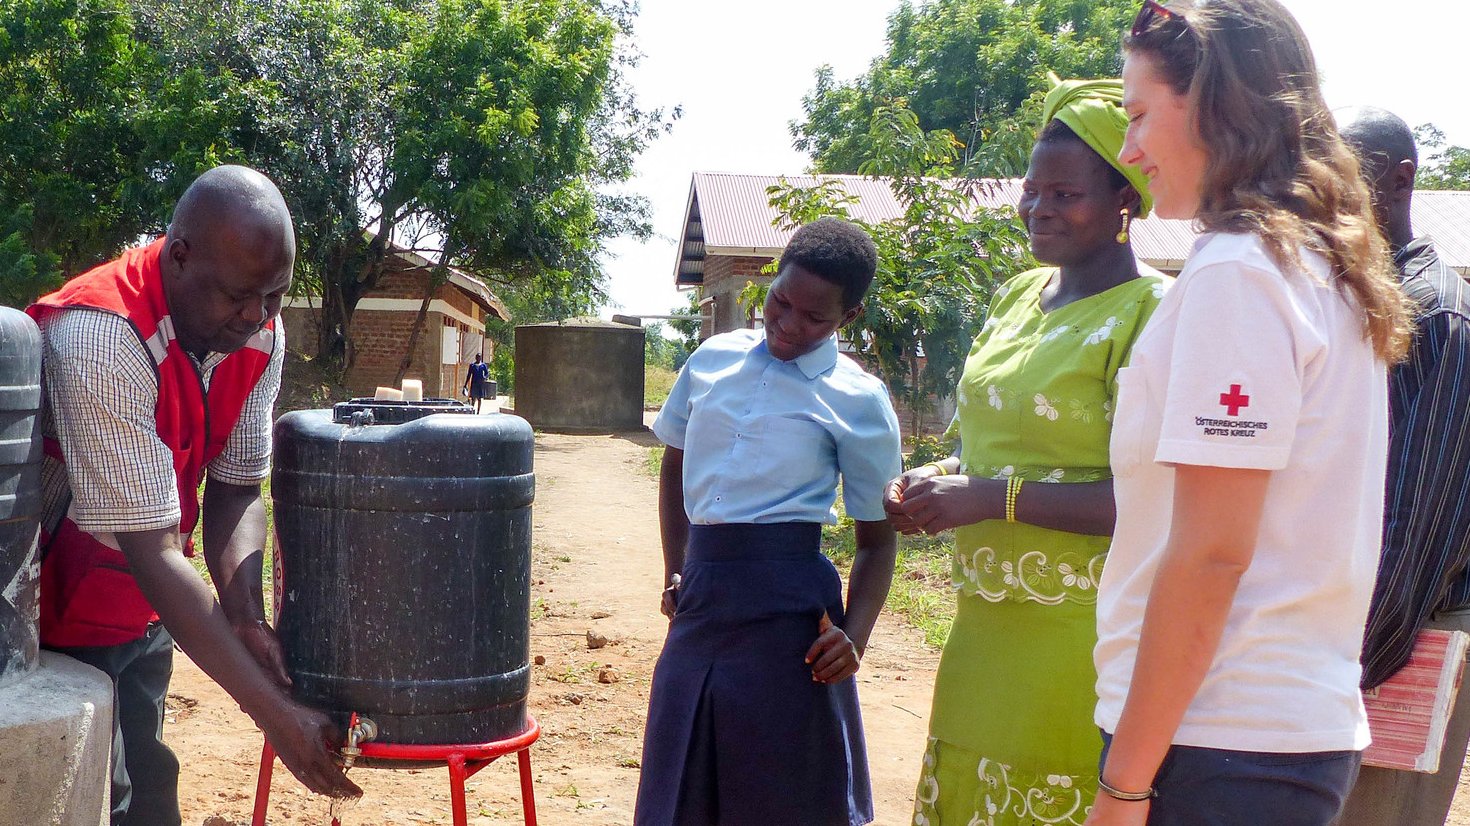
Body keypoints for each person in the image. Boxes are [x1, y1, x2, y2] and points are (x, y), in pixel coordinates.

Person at [1087, 2, 1417, 824]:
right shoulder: (1317, 264)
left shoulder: (1240, 272)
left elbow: (1210, 555)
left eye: (1136, 116)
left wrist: (1123, 788)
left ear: (1213, 105)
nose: (1128, 152)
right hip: (1276, 735)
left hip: (1213, 739)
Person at [27, 165, 361, 825]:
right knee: (98, 797)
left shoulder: (257, 335)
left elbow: (238, 486)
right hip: (45, 623)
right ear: (179, 257)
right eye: (240, 296)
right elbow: (152, 548)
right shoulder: (100, 336)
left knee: (149, 792)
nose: (257, 317)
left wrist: (245, 613)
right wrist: (275, 716)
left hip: (139, 610)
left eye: (276, 296)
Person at [885, 74, 1168, 826]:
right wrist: (932, 480)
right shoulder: (1017, 296)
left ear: (1125, 203)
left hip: (1082, 639)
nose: (1038, 208)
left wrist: (988, 499)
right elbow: (978, 447)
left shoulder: (1153, 314)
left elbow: (1155, 498)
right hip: (982, 626)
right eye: (1031, 190)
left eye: (1065, 193)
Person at [634, 217, 902, 826]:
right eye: (781, 302)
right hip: (702, 604)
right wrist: (675, 567)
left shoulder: (857, 400)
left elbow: (877, 543)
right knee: (682, 783)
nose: (789, 324)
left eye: (816, 319)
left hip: (790, 623)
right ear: (770, 283)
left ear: (849, 317)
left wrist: (853, 638)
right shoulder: (710, 360)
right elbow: (674, 466)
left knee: (782, 791)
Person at [1334, 107, 1470, 826]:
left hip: (1405, 636)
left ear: (1399, 179)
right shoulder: (1357, 304)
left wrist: (1347, 669)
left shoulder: (1437, 317)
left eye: (1345, 181)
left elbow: (1415, 531)